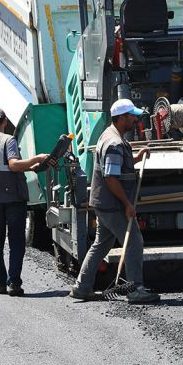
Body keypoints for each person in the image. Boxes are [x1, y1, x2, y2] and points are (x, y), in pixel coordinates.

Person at [70, 98, 159, 304]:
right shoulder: (114, 143)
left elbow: (116, 167)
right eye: (132, 116)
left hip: (105, 202)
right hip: (113, 204)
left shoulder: (110, 136)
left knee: (101, 244)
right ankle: (136, 289)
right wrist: (127, 204)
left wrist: (137, 158)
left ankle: (82, 287)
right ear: (121, 118)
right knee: (134, 242)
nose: (135, 120)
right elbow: (111, 177)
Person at [0, 107, 49, 296]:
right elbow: (13, 165)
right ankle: (14, 283)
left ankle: (0, 284)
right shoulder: (8, 140)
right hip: (12, 198)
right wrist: (36, 158)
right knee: (16, 242)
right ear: (5, 122)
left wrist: (30, 167)